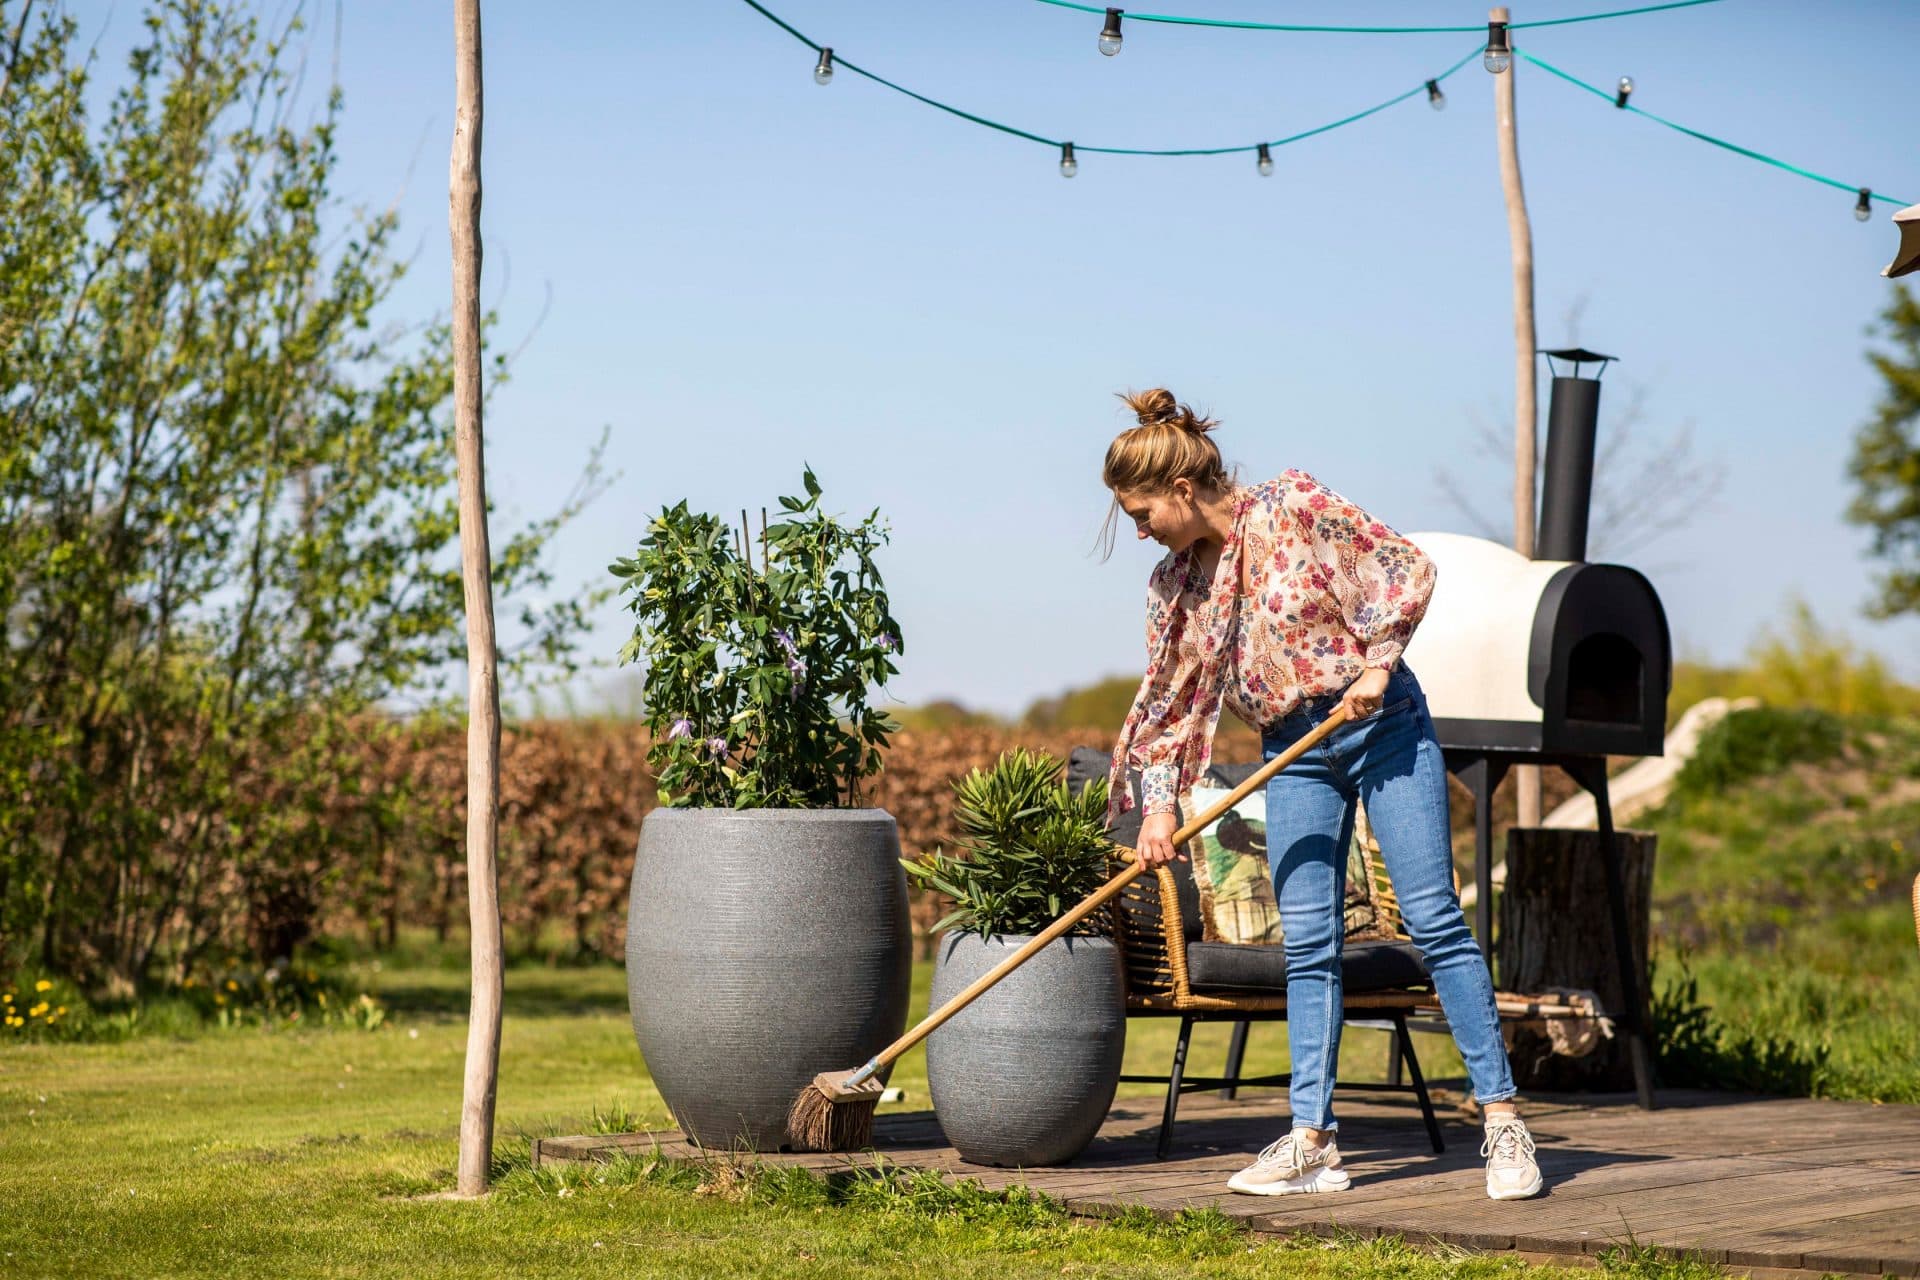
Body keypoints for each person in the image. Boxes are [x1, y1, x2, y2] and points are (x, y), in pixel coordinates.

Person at [1101, 387, 1542, 1202]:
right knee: (1307, 944)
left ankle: (1503, 1119)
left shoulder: (1292, 505)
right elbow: (1167, 700)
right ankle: (1312, 1140)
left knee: (1434, 918)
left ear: (1182, 490)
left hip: (1382, 725)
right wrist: (1158, 806)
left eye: (1141, 512)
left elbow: (1404, 567)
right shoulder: (1175, 585)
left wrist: (1377, 662)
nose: (1138, 530)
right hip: (1293, 752)